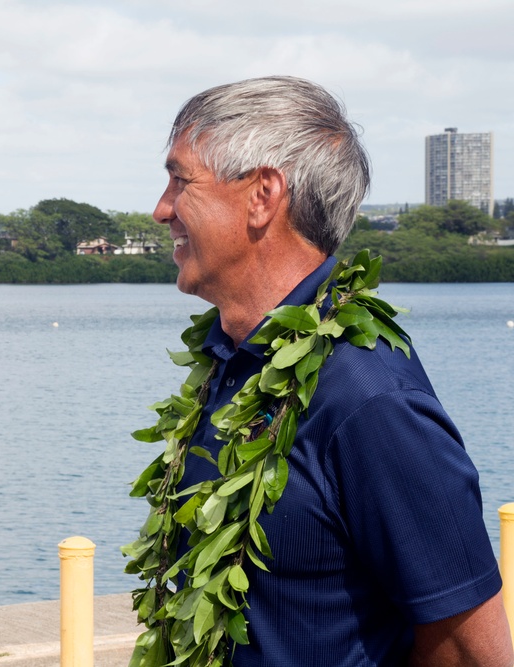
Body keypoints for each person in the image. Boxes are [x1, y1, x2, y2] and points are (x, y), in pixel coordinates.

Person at [148, 76, 512, 666]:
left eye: (180, 181)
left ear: (263, 194)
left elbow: (474, 653)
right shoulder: (232, 361)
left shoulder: (370, 399)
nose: (162, 208)